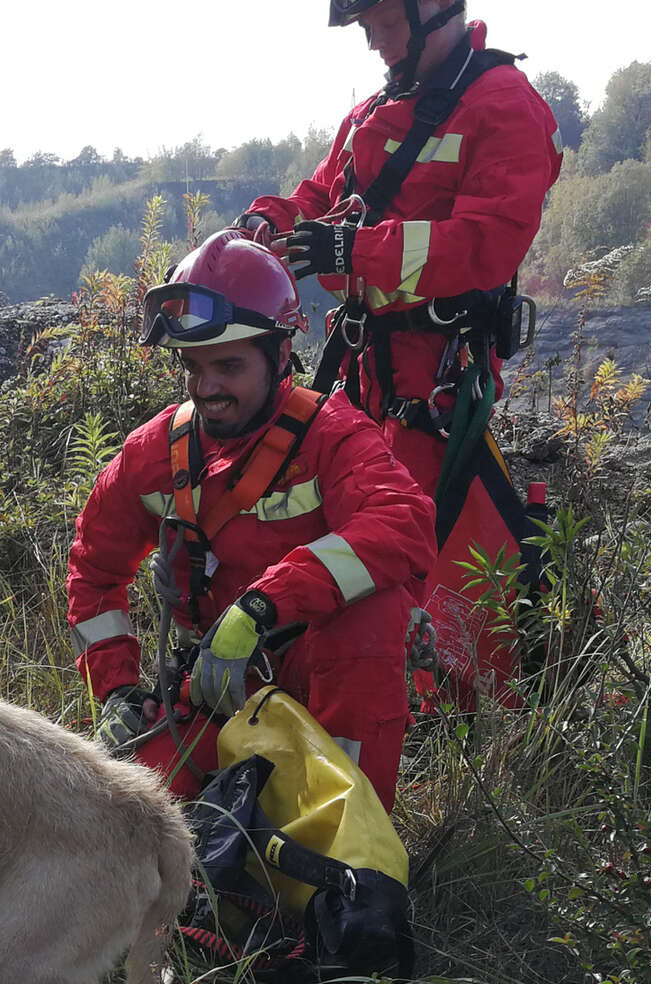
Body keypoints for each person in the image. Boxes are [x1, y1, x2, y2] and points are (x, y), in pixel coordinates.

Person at [236, 0, 562, 704]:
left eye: (384, 25)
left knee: (405, 557)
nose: (375, 44)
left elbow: (487, 241)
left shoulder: (503, 103)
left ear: (434, 11)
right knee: (327, 533)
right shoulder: (375, 112)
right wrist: (274, 218)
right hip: (359, 374)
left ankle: (427, 725)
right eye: (366, 29)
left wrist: (356, 250)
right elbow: (324, 192)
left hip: (433, 386)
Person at [66, 233, 434, 811]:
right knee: (128, 820)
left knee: (374, 614)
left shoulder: (331, 435)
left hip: (320, 680)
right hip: (215, 688)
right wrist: (116, 689)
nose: (207, 388)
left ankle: (350, 850)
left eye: (229, 366)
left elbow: (404, 520)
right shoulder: (155, 452)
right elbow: (93, 570)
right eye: (194, 366)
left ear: (280, 356)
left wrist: (261, 605)